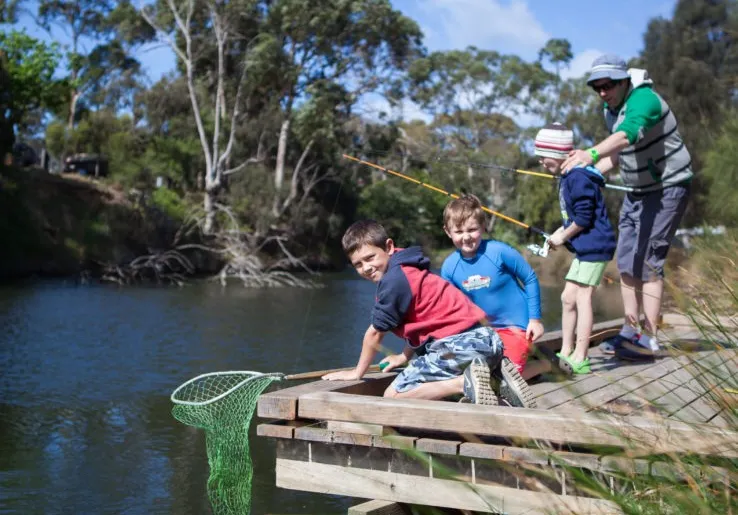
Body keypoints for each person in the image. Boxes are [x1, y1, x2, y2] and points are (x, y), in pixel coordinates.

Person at [561, 54, 692, 361]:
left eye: (608, 85)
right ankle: (630, 330)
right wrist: (585, 174)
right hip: (637, 190)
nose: (603, 92)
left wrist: (589, 154)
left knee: (649, 262)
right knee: (625, 261)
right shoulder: (611, 110)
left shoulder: (643, 99)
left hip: (668, 188)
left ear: (624, 82)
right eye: (597, 87)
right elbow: (616, 157)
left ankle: (649, 337)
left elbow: (625, 135)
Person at [322, 219, 533, 407]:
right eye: (358, 264)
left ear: (388, 246)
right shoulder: (408, 268)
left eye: (370, 258)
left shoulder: (394, 281)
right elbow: (425, 324)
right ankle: (497, 380)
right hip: (486, 341)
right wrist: (404, 356)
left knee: (393, 396)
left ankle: (463, 383)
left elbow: (374, 334)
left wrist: (356, 373)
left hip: (458, 348)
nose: (366, 268)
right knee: (435, 390)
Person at [440, 194, 550, 380]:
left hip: (516, 324)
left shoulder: (499, 251)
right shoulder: (449, 267)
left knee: (505, 378)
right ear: (448, 232)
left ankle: (545, 364)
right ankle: (524, 359)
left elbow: (530, 278)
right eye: (458, 232)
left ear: (483, 226)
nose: (466, 237)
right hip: (483, 331)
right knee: (467, 371)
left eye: (472, 229)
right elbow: (451, 307)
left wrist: (535, 319)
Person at [536, 123, 617, 374]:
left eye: (543, 154)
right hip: (585, 249)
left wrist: (564, 236)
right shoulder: (568, 176)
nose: (539, 160)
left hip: (596, 246)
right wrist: (557, 236)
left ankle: (581, 356)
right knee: (566, 297)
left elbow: (583, 218)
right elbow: (575, 220)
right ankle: (567, 349)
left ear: (559, 153)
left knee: (582, 298)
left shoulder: (578, 177)